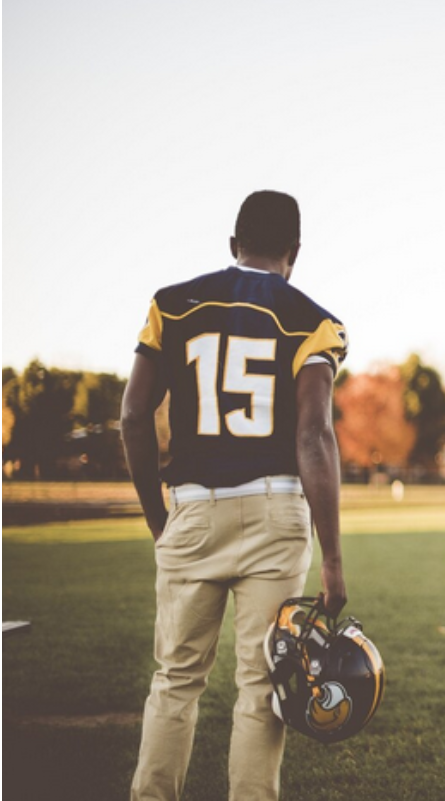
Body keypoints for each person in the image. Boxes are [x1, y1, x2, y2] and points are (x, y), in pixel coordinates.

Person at [121, 190, 349, 801]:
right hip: (275, 513)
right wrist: (331, 558)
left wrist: (157, 518)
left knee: (174, 681)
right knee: (261, 688)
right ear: (294, 253)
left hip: (192, 508)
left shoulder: (172, 305)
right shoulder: (313, 320)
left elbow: (134, 416)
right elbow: (314, 434)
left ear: (232, 245)